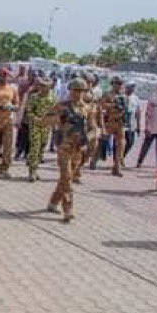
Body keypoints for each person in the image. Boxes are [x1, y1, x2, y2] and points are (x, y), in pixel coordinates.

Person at [45, 78, 92, 222]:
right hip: (64, 146)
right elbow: (45, 120)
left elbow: (94, 128)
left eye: (81, 91)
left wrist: (87, 138)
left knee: (67, 178)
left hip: (78, 148)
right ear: (70, 90)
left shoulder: (87, 108)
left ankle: (53, 202)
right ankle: (68, 209)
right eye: (75, 90)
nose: (78, 94)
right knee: (67, 178)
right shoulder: (61, 106)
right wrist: (59, 119)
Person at [25, 75, 57, 181]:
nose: (43, 88)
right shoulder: (34, 97)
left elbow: (55, 111)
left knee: (42, 147)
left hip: (46, 126)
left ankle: (36, 167)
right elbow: (29, 111)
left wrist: (52, 122)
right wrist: (37, 119)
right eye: (42, 85)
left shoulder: (53, 97)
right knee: (35, 146)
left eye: (46, 86)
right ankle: (32, 171)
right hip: (35, 125)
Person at [98, 76, 128, 176]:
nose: (120, 86)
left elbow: (125, 108)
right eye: (118, 83)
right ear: (113, 84)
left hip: (120, 122)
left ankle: (117, 167)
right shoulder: (107, 94)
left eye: (121, 84)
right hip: (109, 121)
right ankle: (94, 158)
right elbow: (101, 105)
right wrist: (113, 105)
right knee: (102, 140)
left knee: (121, 144)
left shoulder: (124, 96)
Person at [137, 85, 157, 170]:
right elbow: (147, 114)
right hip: (152, 127)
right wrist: (147, 126)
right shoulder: (153, 100)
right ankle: (139, 161)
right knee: (146, 146)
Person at [123, 82, 141, 160]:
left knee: (130, 142)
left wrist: (138, 126)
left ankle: (122, 156)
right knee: (120, 142)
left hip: (132, 124)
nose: (132, 89)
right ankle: (118, 159)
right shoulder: (121, 97)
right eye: (130, 87)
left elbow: (138, 112)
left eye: (133, 87)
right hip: (122, 123)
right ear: (127, 88)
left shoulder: (136, 98)